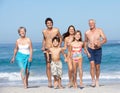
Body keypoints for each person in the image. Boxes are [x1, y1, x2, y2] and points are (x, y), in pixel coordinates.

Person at [84, 19, 107, 87]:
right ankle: (93, 80)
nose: (91, 24)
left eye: (92, 23)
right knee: (92, 65)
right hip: (90, 49)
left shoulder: (99, 30)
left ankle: (97, 80)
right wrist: (85, 49)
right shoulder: (87, 32)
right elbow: (85, 41)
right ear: (88, 24)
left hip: (98, 50)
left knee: (97, 66)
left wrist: (100, 43)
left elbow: (105, 39)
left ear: (95, 23)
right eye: (89, 23)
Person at [41, 18, 62, 87]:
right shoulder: (44, 31)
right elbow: (44, 39)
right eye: (48, 23)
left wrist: (59, 45)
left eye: (50, 23)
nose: (49, 24)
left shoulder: (56, 30)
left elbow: (60, 37)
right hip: (47, 50)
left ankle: (55, 80)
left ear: (52, 23)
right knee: (48, 66)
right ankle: (49, 82)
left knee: (55, 66)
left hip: (54, 50)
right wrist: (43, 46)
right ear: (46, 24)